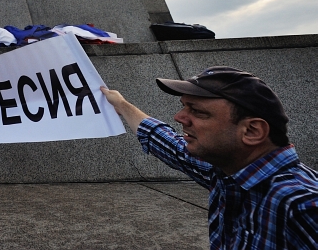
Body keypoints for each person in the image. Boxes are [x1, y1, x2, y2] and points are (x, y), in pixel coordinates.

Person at [101, 67, 318, 249]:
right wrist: (120, 104)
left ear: (252, 131)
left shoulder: (304, 207)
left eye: (198, 111)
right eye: (183, 106)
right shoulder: (228, 171)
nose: (179, 117)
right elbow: (168, 143)